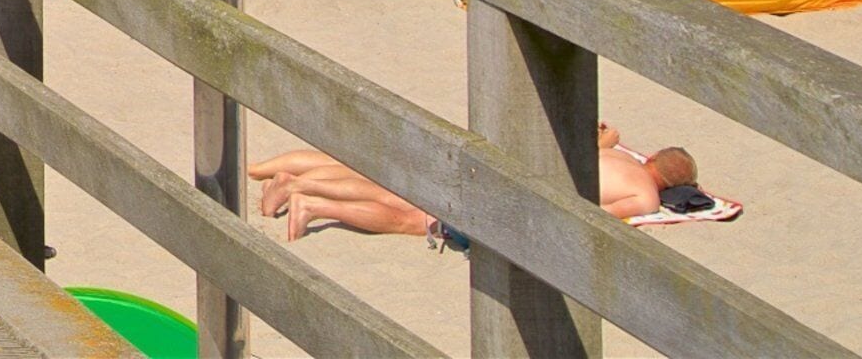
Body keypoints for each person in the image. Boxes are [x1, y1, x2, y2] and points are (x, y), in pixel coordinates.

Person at [253, 128, 711, 243]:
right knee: (411, 218)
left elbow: (594, 142)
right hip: (512, 196)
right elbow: (598, 216)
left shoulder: (616, 152)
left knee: (381, 177)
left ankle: (275, 173)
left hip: (499, 165)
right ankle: (309, 202)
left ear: (652, 158)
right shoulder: (645, 195)